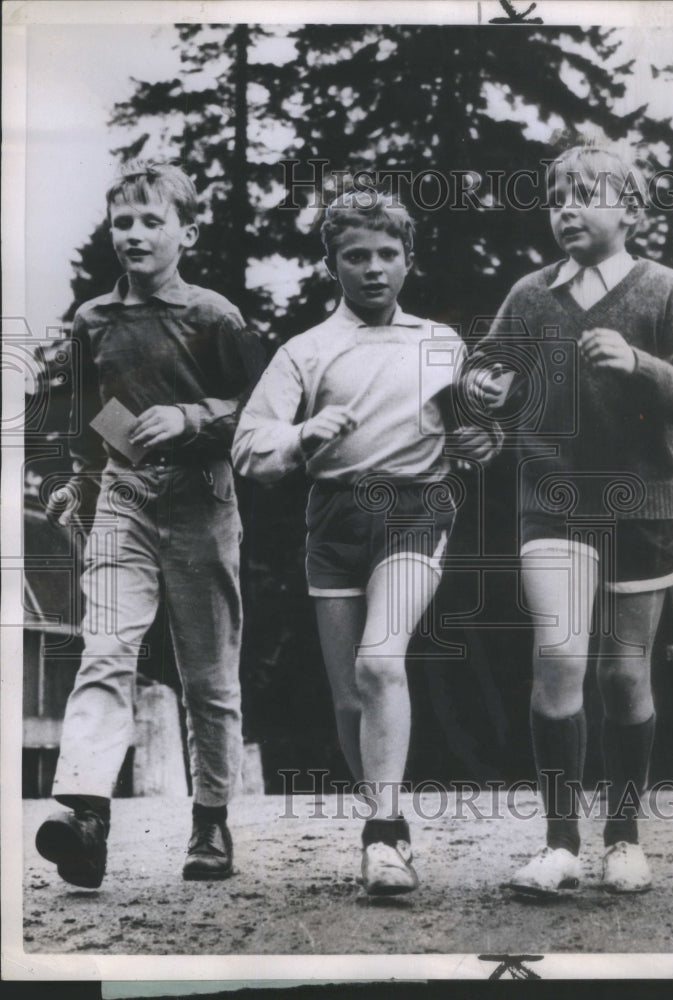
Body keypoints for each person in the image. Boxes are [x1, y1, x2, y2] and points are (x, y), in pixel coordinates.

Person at [465, 145, 673, 895]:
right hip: (551, 503)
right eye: (555, 195)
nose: (566, 207)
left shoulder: (663, 289)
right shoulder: (529, 294)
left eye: (585, 194)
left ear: (630, 210)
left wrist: (637, 363)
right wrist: (483, 386)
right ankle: (558, 846)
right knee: (559, 661)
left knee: (622, 676)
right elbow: (484, 374)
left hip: (642, 507)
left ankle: (623, 838)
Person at [232, 190, 500, 895]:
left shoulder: (440, 342)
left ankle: (385, 837)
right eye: (356, 256)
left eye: (387, 255)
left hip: (417, 510)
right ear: (333, 265)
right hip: (333, 519)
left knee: (381, 662)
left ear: (408, 260)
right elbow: (250, 448)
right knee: (350, 697)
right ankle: (380, 821)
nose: (373, 268)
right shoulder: (306, 350)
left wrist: (478, 437)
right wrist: (299, 435)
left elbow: (476, 437)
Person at [35, 160, 264, 888]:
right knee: (104, 650)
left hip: (202, 496)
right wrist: (80, 480)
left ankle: (210, 823)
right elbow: (84, 413)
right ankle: (85, 816)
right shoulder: (92, 321)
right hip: (123, 499)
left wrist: (194, 416)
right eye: (121, 222)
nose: (132, 234)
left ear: (185, 233)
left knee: (208, 674)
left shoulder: (215, 316)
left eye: (150, 221)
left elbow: (261, 408)